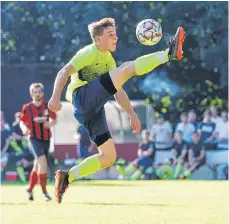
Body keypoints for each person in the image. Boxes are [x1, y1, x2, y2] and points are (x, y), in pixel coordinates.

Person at [48, 18, 185, 203]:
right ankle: (168, 54)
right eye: (110, 35)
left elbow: (118, 92)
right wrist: (55, 97)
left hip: (90, 110)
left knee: (108, 156)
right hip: (81, 98)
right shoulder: (89, 52)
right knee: (128, 67)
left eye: (115, 34)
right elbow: (63, 71)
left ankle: (67, 177)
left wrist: (132, 115)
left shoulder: (108, 60)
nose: (115, 38)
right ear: (97, 39)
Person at [20, 83, 57, 201]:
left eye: (39, 91)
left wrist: (50, 123)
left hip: (46, 139)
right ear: (31, 94)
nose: (37, 94)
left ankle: (30, 189)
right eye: (35, 92)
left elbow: (55, 118)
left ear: (43, 93)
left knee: (37, 166)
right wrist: (24, 128)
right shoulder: (27, 107)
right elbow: (21, 121)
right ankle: (45, 193)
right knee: (42, 161)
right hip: (33, 138)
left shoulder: (47, 106)